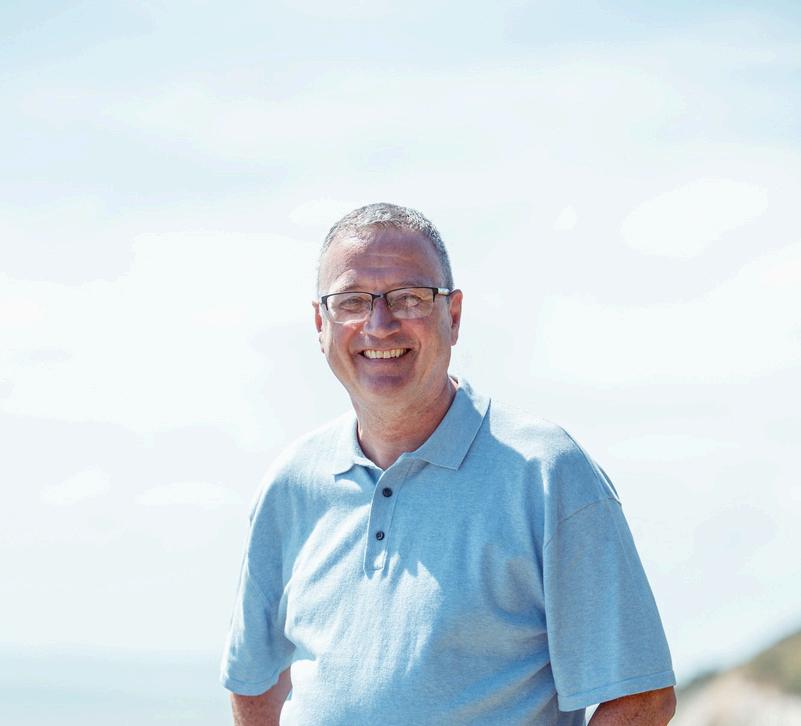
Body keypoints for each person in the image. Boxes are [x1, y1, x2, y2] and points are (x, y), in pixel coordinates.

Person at [220, 203, 677, 725]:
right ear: (320, 323)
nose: (379, 325)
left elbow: (642, 697)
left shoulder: (547, 473)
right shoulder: (290, 483)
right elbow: (252, 682)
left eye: (408, 298)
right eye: (351, 302)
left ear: (453, 316)